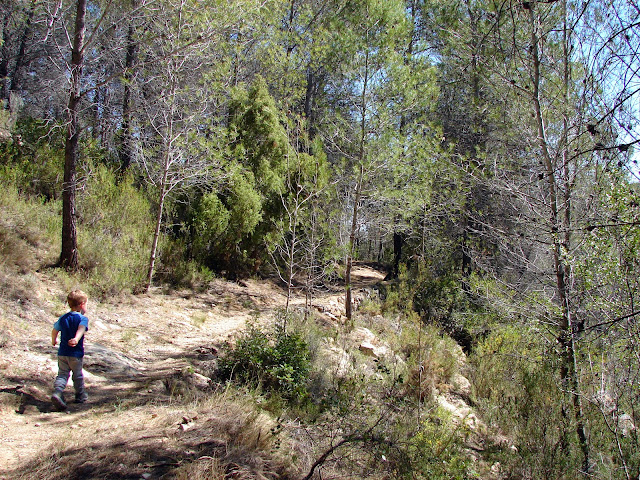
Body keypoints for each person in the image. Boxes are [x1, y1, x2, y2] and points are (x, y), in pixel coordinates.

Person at [51, 289, 90, 410]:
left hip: (62, 352)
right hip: (75, 353)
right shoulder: (82, 319)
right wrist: (76, 339)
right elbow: (82, 328)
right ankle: (80, 395)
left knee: (62, 374)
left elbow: (55, 330)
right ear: (82, 304)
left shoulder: (63, 318)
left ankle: (58, 392)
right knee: (77, 375)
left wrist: (54, 340)